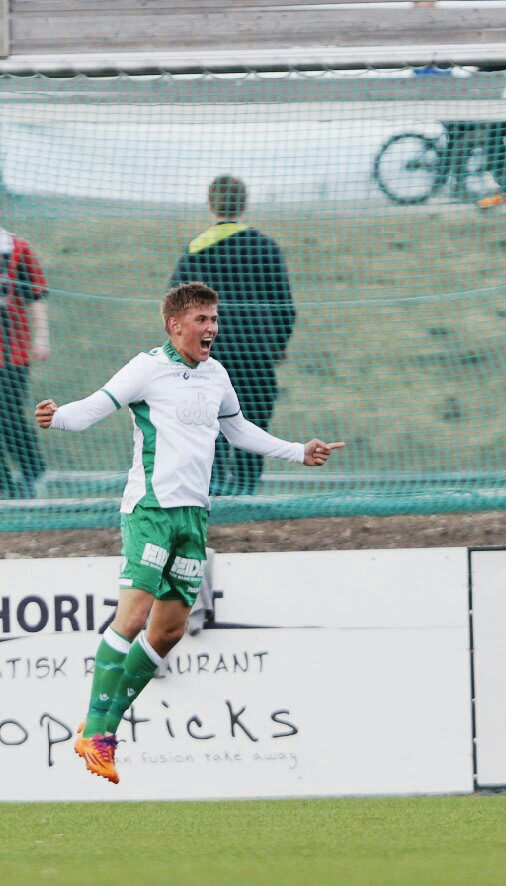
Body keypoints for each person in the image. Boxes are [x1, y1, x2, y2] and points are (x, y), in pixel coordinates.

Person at [34, 282, 342, 785]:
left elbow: (237, 430)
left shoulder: (216, 374)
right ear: (174, 325)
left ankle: (100, 728)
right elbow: (94, 407)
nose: (212, 328)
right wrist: (57, 417)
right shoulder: (147, 368)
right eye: (202, 319)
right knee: (133, 617)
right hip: (151, 511)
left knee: (168, 630)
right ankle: (98, 729)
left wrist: (297, 451)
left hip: (194, 516)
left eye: (214, 319)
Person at [170, 175, 296, 496]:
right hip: (255, 352)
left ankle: (212, 489)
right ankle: (245, 488)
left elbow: (177, 306)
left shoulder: (195, 251)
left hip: (209, 353)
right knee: (252, 419)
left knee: (208, 420)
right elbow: (284, 304)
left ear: (211, 205)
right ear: (244, 204)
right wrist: (278, 343)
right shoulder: (265, 247)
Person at [0, 209, 51, 498]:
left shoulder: (18, 248)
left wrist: (41, 337)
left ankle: (33, 472)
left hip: (12, 353)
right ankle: (4, 486)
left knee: (9, 416)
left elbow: (36, 296)